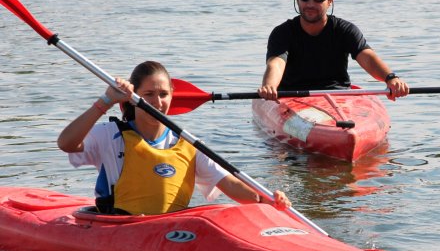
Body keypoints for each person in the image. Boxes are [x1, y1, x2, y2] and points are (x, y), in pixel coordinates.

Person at [57, 60, 291, 215]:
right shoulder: (110, 136)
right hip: (119, 227)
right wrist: (105, 101)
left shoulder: (188, 143)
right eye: (148, 95)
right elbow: (66, 143)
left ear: (172, 96)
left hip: (169, 233)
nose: (157, 103)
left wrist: (265, 200)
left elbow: (230, 183)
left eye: (163, 94)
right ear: (132, 98)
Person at [258, 0, 409, 101]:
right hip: (292, 96)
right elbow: (276, 63)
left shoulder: (345, 30)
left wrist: (391, 78)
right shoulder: (282, 33)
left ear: (329, 1)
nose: (310, 4)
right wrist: (269, 86)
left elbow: (367, 57)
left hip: (338, 96)